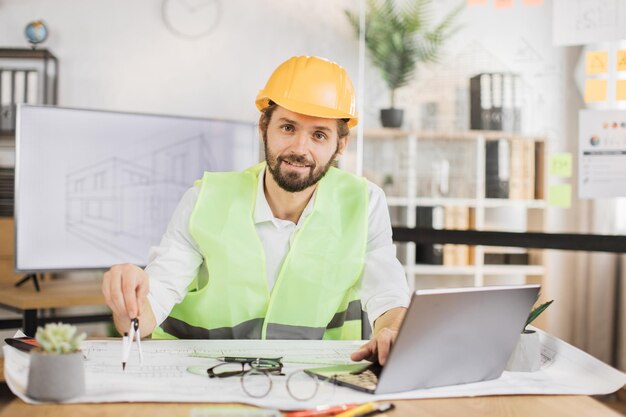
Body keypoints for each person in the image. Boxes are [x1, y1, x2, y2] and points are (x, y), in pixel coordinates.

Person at [102, 55, 410, 365]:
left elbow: (388, 293)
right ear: (264, 126)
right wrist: (129, 300)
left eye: (319, 135)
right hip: (204, 378)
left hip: (318, 382)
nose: (300, 149)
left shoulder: (364, 202)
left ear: (341, 145)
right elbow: (147, 311)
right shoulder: (204, 199)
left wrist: (392, 331)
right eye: (288, 127)